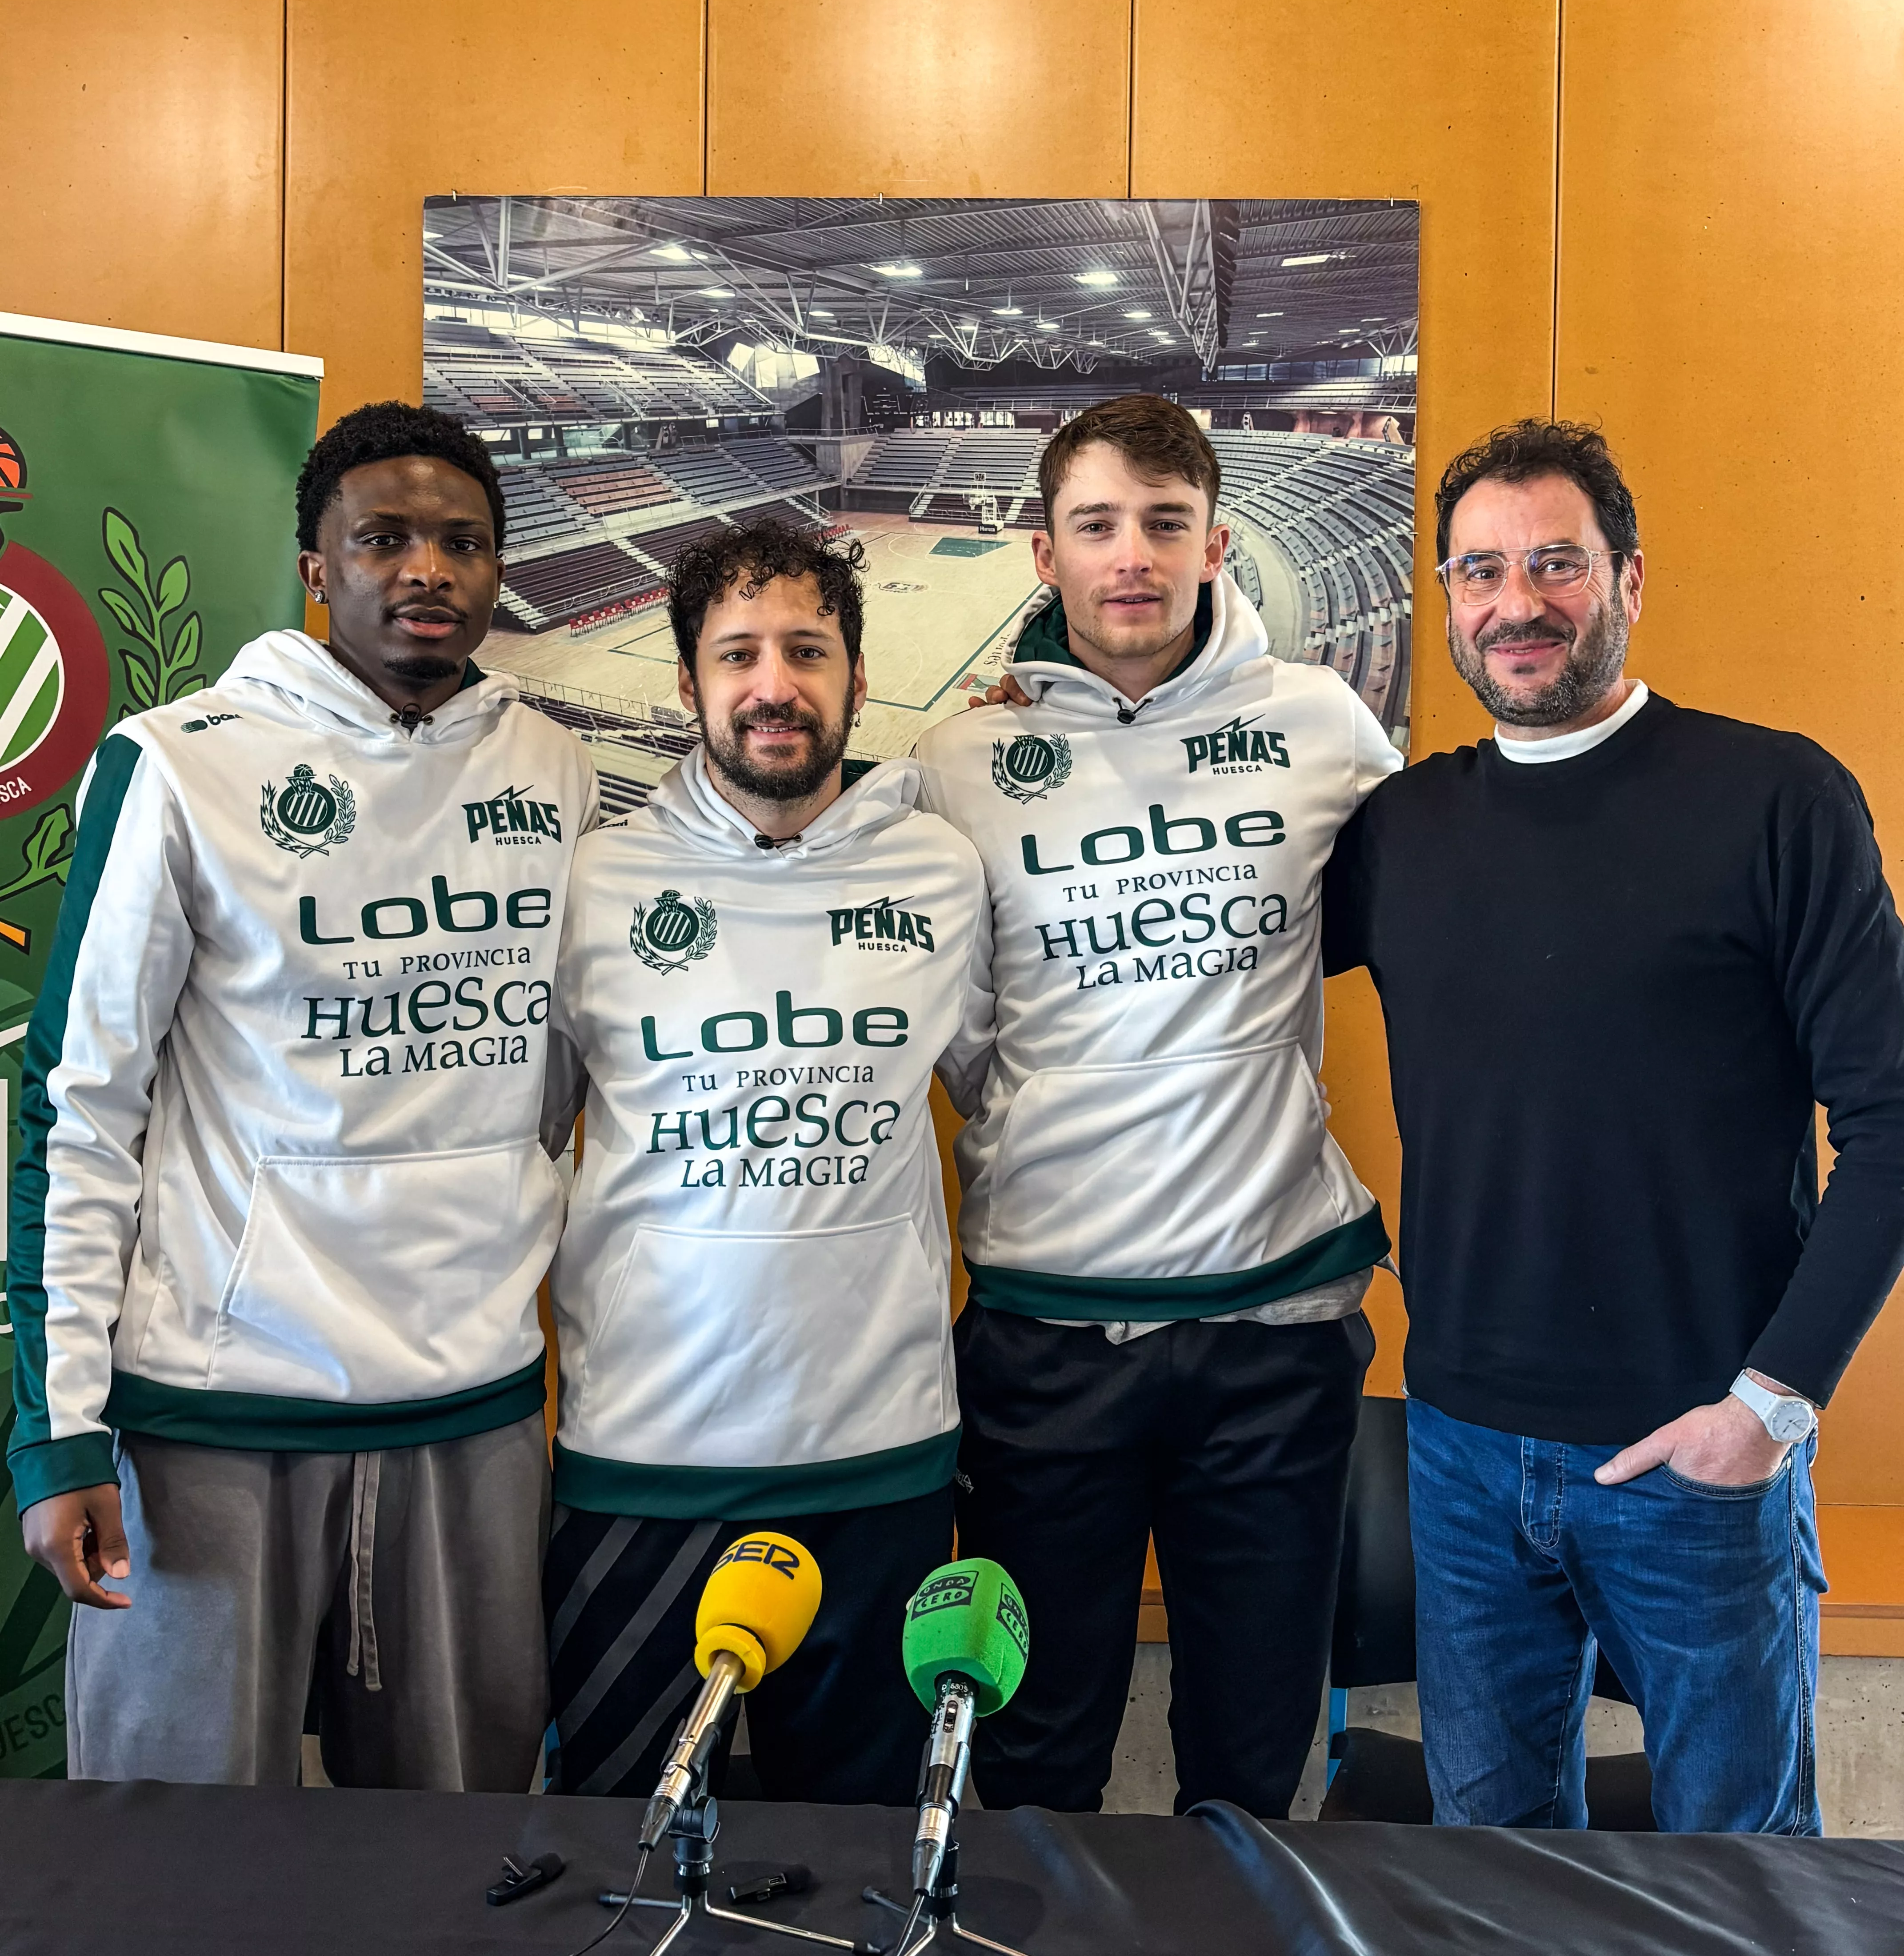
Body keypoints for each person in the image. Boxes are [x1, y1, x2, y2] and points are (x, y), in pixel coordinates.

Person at [1322, 417, 1904, 1833]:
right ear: (1446, 599)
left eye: (1555, 563)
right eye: (1479, 571)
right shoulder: (1400, 829)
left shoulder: (1776, 798)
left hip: (1695, 1452)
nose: (1515, 602)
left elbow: (1891, 1117)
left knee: (1738, 1887)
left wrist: (1770, 1405)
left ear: (1628, 581)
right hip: (1459, 1452)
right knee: (1495, 1885)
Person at [8, 401, 598, 1788]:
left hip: (471, 1405)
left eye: (463, 542)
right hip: (215, 1410)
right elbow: (76, 1105)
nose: (428, 570)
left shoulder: (555, 769)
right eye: (383, 537)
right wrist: (60, 1430)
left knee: (461, 1863)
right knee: (177, 1871)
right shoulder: (177, 764)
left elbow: (563, 1080)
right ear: (314, 567)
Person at [914, 394, 1400, 1817]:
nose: (1130, 554)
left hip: (1275, 1335)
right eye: (1096, 524)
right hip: (1047, 1338)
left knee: (1251, 1768)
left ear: (1215, 542)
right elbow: (939, 1018)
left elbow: (1448, 921)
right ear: (1041, 552)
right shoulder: (956, 767)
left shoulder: (1318, 724)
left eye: (1163, 522)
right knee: (1036, 1754)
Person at [542, 519, 990, 1801]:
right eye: (737, 653)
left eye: (806, 649)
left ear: (854, 672)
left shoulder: (940, 871)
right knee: (624, 1854)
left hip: (883, 1457)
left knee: (868, 1871)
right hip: (647, 1460)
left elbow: (1005, 1102)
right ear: (687, 683)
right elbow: (520, 1137)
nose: (773, 685)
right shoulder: (597, 884)